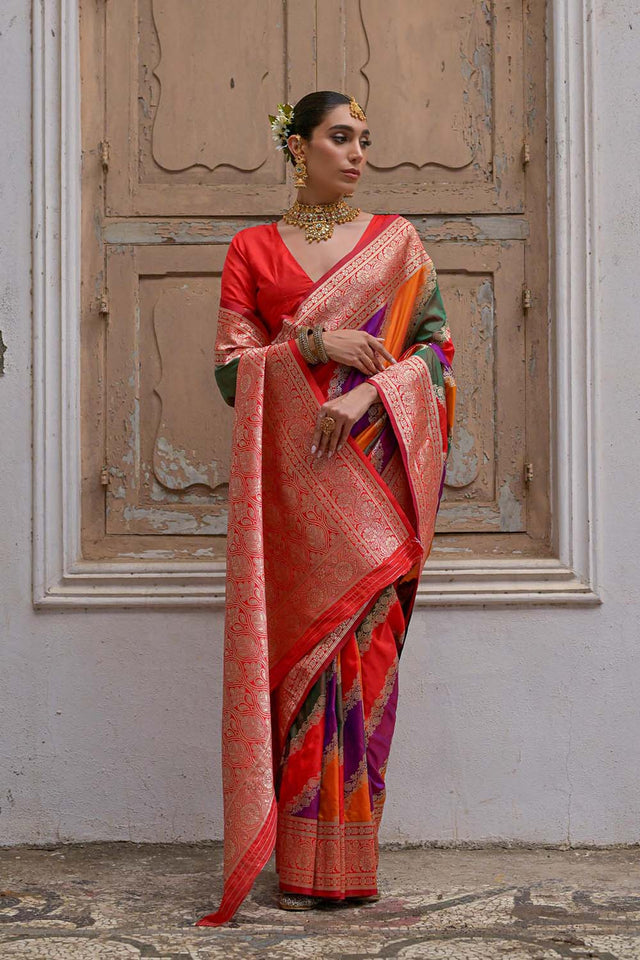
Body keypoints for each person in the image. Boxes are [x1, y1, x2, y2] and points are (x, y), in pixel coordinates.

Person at [195, 91, 456, 926]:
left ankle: (350, 867)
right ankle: (301, 870)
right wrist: (313, 345)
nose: (357, 155)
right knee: (304, 673)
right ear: (296, 148)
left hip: (376, 490)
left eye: (365, 141)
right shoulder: (252, 250)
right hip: (298, 499)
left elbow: (437, 357)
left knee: (365, 673)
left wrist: (369, 395)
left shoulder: (399, 244)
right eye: (340, 138)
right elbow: (234, 374)